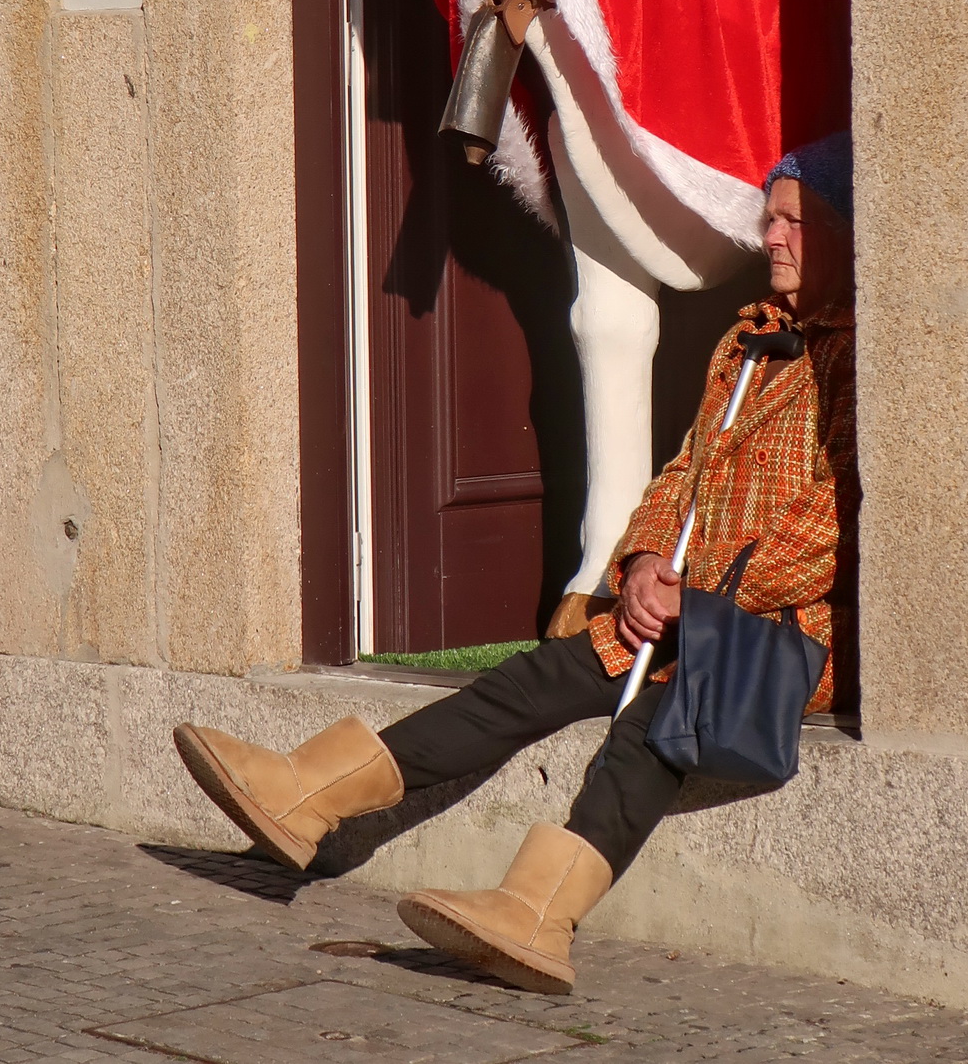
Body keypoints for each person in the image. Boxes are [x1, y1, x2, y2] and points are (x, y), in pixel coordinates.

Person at [173, 133, 860, 995]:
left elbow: (836, 519)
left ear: (845, 227)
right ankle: (309, 791)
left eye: (794, 220)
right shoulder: (748, 344)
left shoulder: (862, 357)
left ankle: (539, 915)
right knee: (529, 682)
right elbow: (685, 468)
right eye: (768, 219)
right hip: (678, 605)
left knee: (653, 725)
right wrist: (645, 562)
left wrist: (703, 600)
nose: (771, 237)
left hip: (780, 634)